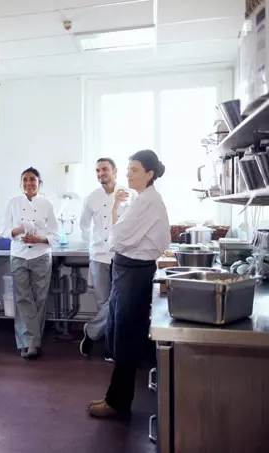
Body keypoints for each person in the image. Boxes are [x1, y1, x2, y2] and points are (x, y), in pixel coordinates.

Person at [88, 149, 170, 419]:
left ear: (150, 174)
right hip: (128, 269)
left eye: (134, 169)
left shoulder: (148, 201)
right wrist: (115, 216)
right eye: (128, 169)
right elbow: (119, 234)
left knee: (126, 335)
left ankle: (118, 402)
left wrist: (116, 228)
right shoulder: (141, 199)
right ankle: (115, 397)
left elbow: (120, 237)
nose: (128, 174)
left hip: (134, 272)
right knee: (120, 332)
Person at [1, 167, 60, 359]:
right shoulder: (13, 203)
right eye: (25, 180)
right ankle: (30, 343)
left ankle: (29, 342)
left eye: (33, 180)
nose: (29, 183)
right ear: (21, 184)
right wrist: (19, 229)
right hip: (19, 255)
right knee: (22, 298)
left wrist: (39, 239)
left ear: (39, 183)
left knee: (39, 299)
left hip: (41, 256)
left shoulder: (47, 204)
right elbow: (3, 230)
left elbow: (55, 235)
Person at [78, 157, 129, 361]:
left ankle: (91, 332)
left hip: (120, 254)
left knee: (116, 302)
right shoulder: (92, 198)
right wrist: (93, 242)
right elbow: (83, 226)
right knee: (103, 303)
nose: (101, 174)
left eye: (105, 169)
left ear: (115, 171)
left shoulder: (128, 194)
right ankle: (109, 348)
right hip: (99, 255)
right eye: (98, 170)